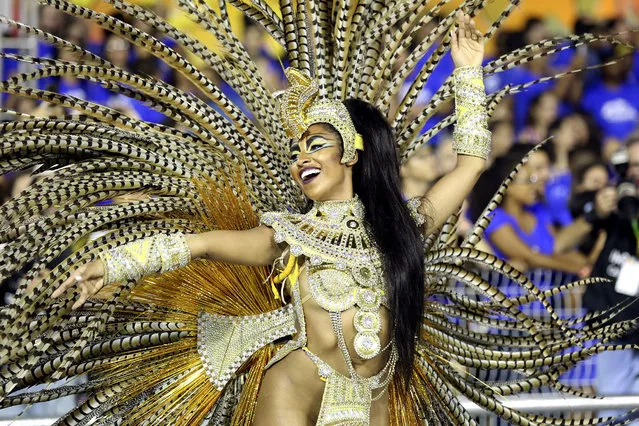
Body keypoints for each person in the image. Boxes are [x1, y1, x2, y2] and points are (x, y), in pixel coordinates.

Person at [0, 3, 636, 426]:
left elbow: (470, 162)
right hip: (298, 383)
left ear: (352, 153)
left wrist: (469, 75)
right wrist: (109, 263)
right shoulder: (286, 234)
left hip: (381, 389)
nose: (304, 154)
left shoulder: (404, 225)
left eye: (317, 143)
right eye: (300, 145)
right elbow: (197, 244)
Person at [584, 139, 639, 424]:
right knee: (613, 409)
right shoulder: (614, 201)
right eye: (630, 165)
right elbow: (573, 224)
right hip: (611, 324)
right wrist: (599, 209)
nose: (635, 173)